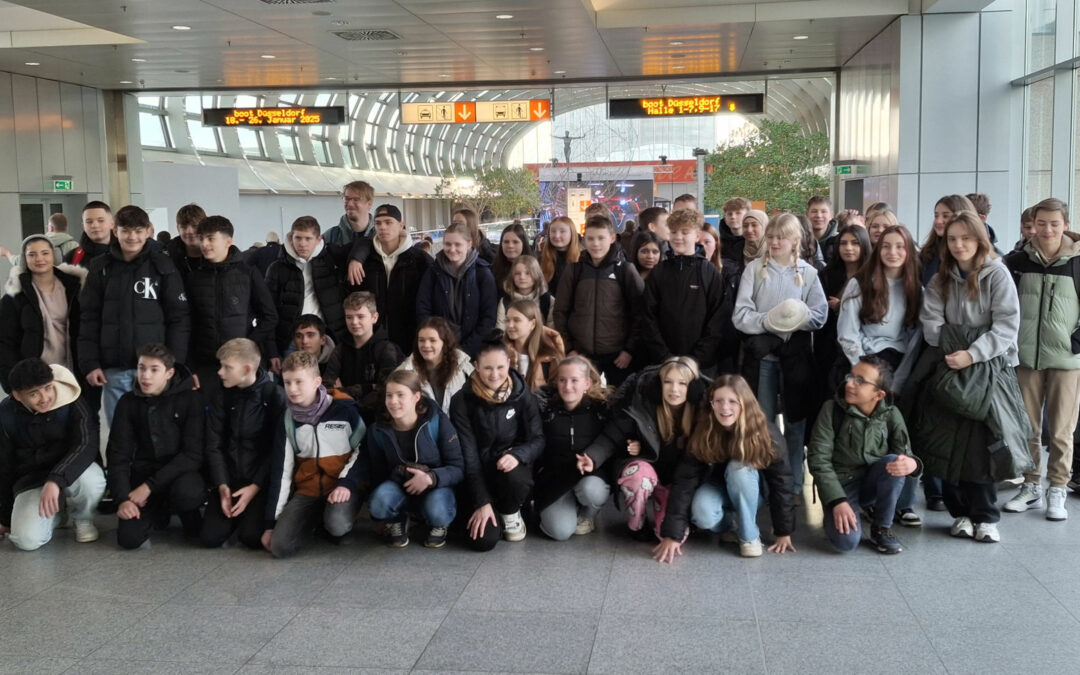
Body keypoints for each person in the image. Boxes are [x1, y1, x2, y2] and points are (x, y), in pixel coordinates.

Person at [905, 211, 1029, 544]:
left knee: (980, 448)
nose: (959, 245)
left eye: (966, 238)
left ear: (979, 239)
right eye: (953, 238)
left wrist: (971, 351)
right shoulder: (941, 278)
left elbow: (1005, 327)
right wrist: (958, 344)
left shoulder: (997, 274)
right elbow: (931, 324)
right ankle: (959, 513)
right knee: (947, 442)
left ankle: (986, 517)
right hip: (946, 365)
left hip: (987, 370)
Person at [733, 212, 829, 501]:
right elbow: (740, 315)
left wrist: (793, 318)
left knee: (796, 422)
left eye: (781, 237)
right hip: (763, 358)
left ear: (795, 240)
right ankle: (763, 483)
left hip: (796, 358)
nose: (774, 242)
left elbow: (820, 315)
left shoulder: (809, 273)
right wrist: (770, 323)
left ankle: (794, 484)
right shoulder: (753, 270)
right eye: (771, 236)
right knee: (762, 423)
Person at [655, 375, 795, 561]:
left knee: (739, 467)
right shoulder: (705, 430)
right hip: (718, 487)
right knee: (702, 514)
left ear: (744, 404)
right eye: (718, 401)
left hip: (753, 490)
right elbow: (685, 480)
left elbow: (782, 481)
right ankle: (729, 527)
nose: (725, 407)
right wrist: (673, 535)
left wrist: (783, 531)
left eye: (732, 402)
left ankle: (749, 537)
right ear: (711, 404)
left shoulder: (766, 433)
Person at [1003, 198, 1080, 521]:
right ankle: (1032, 484)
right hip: (1025, 359)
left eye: (1054, 223)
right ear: (1033, 224)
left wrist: (1075, 343)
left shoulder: (1076, 262)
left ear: (1065, 224)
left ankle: (1058, 489)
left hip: (1066, 361)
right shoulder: (1018, 261)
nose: (1047, 230)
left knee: (1062, 430)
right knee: (1028, 427)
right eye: (1042, 223)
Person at [78, 205, 190, 424]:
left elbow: (179, 318)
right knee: (120, 434)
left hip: (155, 370)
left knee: (157, 434)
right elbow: (89, 318)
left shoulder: (163, 266)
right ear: (115, 231)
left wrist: (173, 363)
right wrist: (90, 363)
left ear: (148, 231)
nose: (132, 237)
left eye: (138, 231)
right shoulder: (100, 267)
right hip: (115, 369)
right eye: (126, 231)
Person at [583, 356, 707, 541]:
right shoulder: (642, 406)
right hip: (647, 476)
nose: (674, 389)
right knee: (637, 474)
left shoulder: (701, 415)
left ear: (693, 389)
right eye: (668, 382)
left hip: (677, 483)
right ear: (658, 386)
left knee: (669, 535)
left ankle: (665, 512)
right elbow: (611, 436)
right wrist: (592, 457)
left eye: (682, 383)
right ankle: (637, 525)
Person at [339, 370, 463, 548]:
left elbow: (458, 467)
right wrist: (378, 515)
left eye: (400, 395)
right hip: (399, 485)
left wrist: (431, 478)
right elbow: (377, 472)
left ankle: (439, 524)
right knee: (379, 501)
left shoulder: (437, 422)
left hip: (435, 485)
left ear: (416, 397)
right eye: (389, 396)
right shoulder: (378, 430)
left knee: (438, 510)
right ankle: (397, 520)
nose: (393, 401)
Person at [807, 356, 920, 554]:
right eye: (851, 376)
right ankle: (846, 509)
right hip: (842, 486)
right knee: (846, 543)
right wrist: (837, 501)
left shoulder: (892, 414)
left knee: (895, 461)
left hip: (873, 482)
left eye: (860, 380)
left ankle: (881, 527)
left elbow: (905, 454)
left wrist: (912, 465)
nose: (849, 383)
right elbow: (818, 459)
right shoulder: (831, 409)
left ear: (878, 394)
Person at [262, 350, 365, 558]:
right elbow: (281, 472)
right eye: (287, 382)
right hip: (308, 490)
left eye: (299, 382)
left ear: (317, 381)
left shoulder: (344, 410)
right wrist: (271, 524)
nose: (292, 389)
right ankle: (314, 518)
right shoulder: (288, 420)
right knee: (279, 547)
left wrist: (347, 483)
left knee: (337, 526)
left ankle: (333, 517)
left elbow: (363, 451)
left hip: (340, 486)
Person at [107, 344, 205, 549]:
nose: (145, 376)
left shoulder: (190, 399)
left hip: (179, 475)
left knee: (188, 494)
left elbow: (192, 455)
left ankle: (184, 511)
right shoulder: (127, 403)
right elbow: (118, 455)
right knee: (129, 540)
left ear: (169, 373)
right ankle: (158, 513)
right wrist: (123, 499)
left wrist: (149, 486)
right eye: (142, 368)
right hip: (142, 476)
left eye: (154, 370)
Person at [0, 358, 104, 550]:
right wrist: (5, 519)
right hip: (32, 480)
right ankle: (58, 514)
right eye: (34, 393)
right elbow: (4, 468)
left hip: (73, 471)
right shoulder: (5, 416)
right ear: (17, 395)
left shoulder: (73, 399)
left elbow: (86, 444)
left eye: (48, 387)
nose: (45, 397)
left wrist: (56, 480)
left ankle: (83, 519)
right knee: (26, 541)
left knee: (93, 481)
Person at [450, 341, 544, 550]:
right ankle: (491, 511)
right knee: (483, 541)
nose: (495, 374)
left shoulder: (523, 395)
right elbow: (469, 455)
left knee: (514, 475)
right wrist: (482, 501)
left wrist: (518, 455)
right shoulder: (461, 401)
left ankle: (510, 512)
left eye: (500, 367)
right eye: (488, 368)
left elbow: (538, 439)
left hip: (510, 474)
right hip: (477, 477)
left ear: (509, 364)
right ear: (476, 366)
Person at [201, 338, 287, 549]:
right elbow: (213, 444)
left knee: (251, 538)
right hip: (229, 479)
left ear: (247, 368)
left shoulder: (273, 395)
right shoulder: (221, 394)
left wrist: (254, 487)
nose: (220, 372)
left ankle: (247, 518)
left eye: (227, 367)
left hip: (258, 482)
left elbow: (275, 452)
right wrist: (222, 486)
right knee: (209, 538)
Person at [186, 215, 278, 397]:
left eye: (211, 238)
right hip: (205, 366)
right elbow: (186, 323)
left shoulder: (248, 274)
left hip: (240, 366)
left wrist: (248, 344)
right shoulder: (193, 277)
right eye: (202, 238)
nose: (204, 244)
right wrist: (189, 366)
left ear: (228, 241)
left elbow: (269, 316)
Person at [555, 214, 644, 386]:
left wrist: (629, 350)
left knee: (618, 403)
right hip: (581, 354)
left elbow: (640, 313)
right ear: (584, 240)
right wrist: (569, 348)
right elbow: (560, 311)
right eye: (591, 238)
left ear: (612, 238)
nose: (596, 244)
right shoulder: (574, 271)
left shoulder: (625, 270)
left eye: (601, 238)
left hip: (618, 356)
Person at [636, 209, 729, 370]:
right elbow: (648, 316)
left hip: (700, 365)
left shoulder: (709, 272)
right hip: (662, 362)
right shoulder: (659, 271)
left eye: (685, 232)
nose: (678, 237)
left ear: (697, 236)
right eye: (674, 232)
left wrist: (697, 359)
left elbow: (717, 320)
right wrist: (664, 356)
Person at [534, 356, 612, 540]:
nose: (567, 386)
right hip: (556, 480)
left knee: (592, 491)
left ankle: (588, 515)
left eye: (574, 380)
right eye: (562, 380)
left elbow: (611, 441)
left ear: (587, 383)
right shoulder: (545, 409)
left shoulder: (602, 410)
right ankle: (560, 510)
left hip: (589, 477)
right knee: (560, 532)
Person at [0, 235, 87, 394]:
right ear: (24, 259)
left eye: (45, 253)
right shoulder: (14, 296)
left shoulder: (74, 288)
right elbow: (4, 342)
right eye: (32, 254)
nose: (39, 258)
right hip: (35, 378)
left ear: (54, 255)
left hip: (73, 372)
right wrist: (11, 382)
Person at [264, 216, 346, 365]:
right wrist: (271, 350)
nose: (302, 244)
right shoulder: (277, 268)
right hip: (290, 340)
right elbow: (267, 311)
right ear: (290, 237)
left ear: (318, 239)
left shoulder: (332, 262)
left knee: (329, 385)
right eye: (298, 238)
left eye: (308, 239)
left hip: (327, 337)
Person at [357, 204, 434, 353]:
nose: (383, 227)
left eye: (388, 222)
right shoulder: (367, 259)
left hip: (410, 336)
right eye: (378, 223)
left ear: (401, 225)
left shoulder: (420, 260)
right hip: (374, 336)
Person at [416, 222, 497, 358]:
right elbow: (423, 309)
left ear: (469, 244)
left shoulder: (483, 274)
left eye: (457, 244)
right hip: (439, 349)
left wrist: (464, 351)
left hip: (473, 352)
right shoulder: (432, 272)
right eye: (448, 244)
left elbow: (488, 318)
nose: (452, 249)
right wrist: (436, 342)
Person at [324, 292, 404, 419]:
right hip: (345, 414)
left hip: (379, 417)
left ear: (374, 318)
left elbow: (385, 391)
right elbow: (327, 389)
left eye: (360, 316)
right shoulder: (339, 350)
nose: (354, 322)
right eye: (349, 317)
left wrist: (343, 391)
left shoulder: (388, 349)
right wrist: (366, 388)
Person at [395, 317, 473, 411]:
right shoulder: (406, 370)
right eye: (421, 340)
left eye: (432, 340)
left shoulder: (462, 365)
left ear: (444, 342)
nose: (426, 345)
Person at [503, 299, 566, 391]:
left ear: (532, 324)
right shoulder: (499, 353)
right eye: (507, 320)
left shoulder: (551, 357)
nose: (510, 325)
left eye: (516, 320)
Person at [920, 195, 976, 286]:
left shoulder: (988, 265)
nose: (938, 221)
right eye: (936, 215)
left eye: (945, 216)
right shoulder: (926, 254)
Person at [496, 255, 553, 331]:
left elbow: (551, 331)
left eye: (528, 273)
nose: (522, 277)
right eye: (517, 273)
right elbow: (501, 330)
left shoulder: (547, 300)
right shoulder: (505, 301)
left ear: (537, 275)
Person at [324, 180, 374, 247]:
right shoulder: (331, 236)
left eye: (356, 199)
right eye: (347, 199)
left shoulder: (381, 235)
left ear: (369, 204)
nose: (350, 204)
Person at [65, 201, 116, 266]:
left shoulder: (127, 254)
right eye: (89, 222)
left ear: (112, 224)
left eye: (101, 220)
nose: (94, 225)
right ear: (83, 226)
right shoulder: (71, 258)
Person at [163, 203, 205, 282]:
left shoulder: (217, 254)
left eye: (195, 226)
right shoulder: (167, 256)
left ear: (204, 226)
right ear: (178, 229)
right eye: (184, 227)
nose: (189, 231)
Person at [539, 216, 580, 294]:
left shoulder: (583, 260)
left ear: (572, 233)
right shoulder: (540, 261)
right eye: (553, 231)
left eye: (562, 231)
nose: (557, 235)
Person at [492, 223, 533, 293]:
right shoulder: (493, 269)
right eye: (506, 242)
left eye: (515, 242)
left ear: (523, 244)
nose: (510, 246)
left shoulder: (534, 268)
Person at [719, 197, 751, 265]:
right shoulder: (717, 244)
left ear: (748, 216)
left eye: (738, 213)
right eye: (729, 214)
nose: (733, 217)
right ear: (725, 219)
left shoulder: (756, 242)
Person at [807, 195, 838, 263]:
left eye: (823, 211)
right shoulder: (799, 240)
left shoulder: (839, 241)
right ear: (807, 214)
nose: (818, 215)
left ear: (831, 215)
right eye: (814, 211)